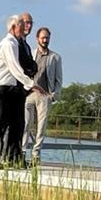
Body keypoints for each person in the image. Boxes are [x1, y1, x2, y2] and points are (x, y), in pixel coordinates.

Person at [0, 15, 37, 164]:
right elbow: (14, 67)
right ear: (13, 27)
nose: (24, 29)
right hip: (2, 88)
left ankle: (13, 157)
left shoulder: (17, 43)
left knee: (16, 123)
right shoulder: (9, 43)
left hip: (12, 88)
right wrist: (31, 83)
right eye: (21, 26)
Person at [23, 26, 62, 165]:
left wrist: (54, 95)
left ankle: (36, 154)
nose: (45, 40)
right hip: (30, 94)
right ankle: (22, 152)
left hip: (45, 95)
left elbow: (58, 79)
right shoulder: (31, 54)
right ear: (37, 39)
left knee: (41, 127)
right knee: (26, 124)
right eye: (43, 38)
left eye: (47, 38)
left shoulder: (55, 57)